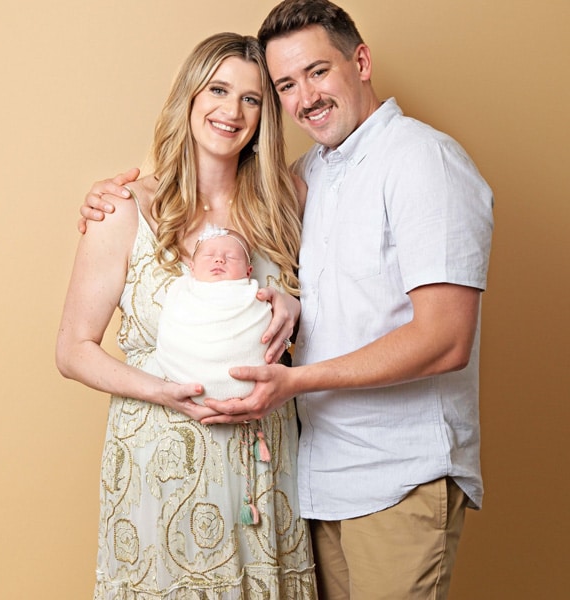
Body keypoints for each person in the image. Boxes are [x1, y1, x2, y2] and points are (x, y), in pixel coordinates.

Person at [79, 1, 494, 598]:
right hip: (312, 481)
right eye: (286, 85)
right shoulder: (302, 180)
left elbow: (447, 340)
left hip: (399, 472)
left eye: (319, 72)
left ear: (362, 60)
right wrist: (110, 195)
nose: (307, 97)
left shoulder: (421, 160)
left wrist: (296, 381)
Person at [57, 32, 317, 599]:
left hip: (263, 466)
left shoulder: (289, 202)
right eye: (218, 90)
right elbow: (73, 349)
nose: (232, 111)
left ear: (266, 117)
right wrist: (161, 390)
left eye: (252, 99)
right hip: (161, 460)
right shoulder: (124, 209)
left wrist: (297, 308)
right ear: (190, 98)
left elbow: (340, 316)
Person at [153, 223, 272, 405]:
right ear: (192, 268)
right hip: (185, 373)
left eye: (231, 258)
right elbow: (172, 325)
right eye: (209, 256)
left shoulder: (251, 295)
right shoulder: (182, 292)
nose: (219, 260)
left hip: (242, 377)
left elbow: (262, 324)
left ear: (248, 272)